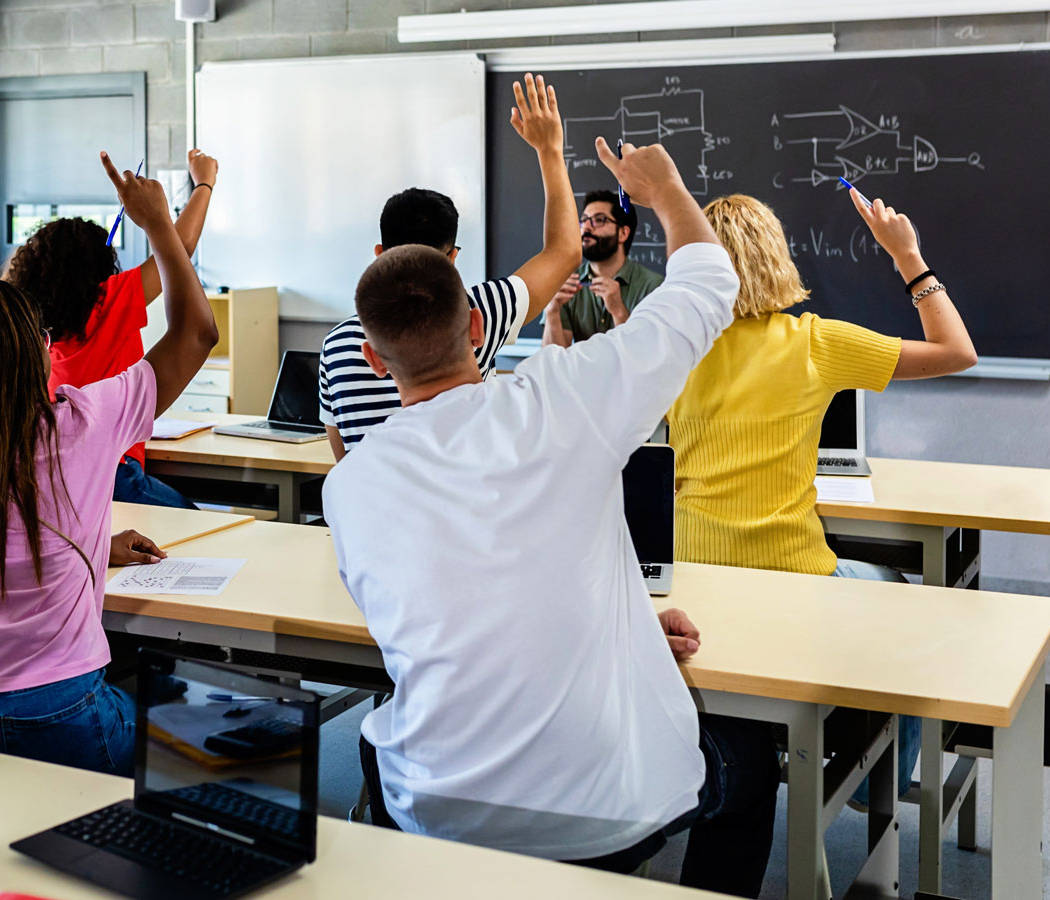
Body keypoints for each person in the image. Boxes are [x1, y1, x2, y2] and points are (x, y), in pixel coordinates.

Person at [323, 133, 777, 898]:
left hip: (438, 808)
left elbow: (452, 615)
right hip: (599, 817)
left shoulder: (351, 484)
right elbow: (708, 284)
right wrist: (663, 191)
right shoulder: (564, 396)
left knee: (378, 739)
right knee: (752, 763)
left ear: (373, 358)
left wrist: (623, 618)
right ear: (476, 328)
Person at [0, 152, 219, 775]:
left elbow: (6, 539)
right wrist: (157, 223)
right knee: (212, 734)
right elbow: (197, 333)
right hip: (53, 715)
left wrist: (93, 544)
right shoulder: (81, 422)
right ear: (35, 350)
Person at [669, 191, 978, 808]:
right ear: (776, 257)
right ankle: (879, 786)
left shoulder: (670, 343)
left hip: (689, 580)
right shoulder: (815, 343)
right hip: (789, 576)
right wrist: (907, 256)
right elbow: (957, 351)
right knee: (907, 603)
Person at [319, 75, 580, 459]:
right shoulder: (478, 313)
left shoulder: (337, 345)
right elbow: (565, 250)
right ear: (452, 259)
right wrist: (550, 151)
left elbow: (344, 459)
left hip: (378, 515)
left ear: (380, 253)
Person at [2, 149, 221, 509]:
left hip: (60, 478)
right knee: (205, 528)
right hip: (114, 473)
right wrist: (204, 183)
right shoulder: (109, 300)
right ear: (98, 272)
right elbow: (181, 247)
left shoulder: (33, 322)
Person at [541, 188, 665, 347]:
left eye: (599, 220)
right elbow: (553, 362)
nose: (587, 228)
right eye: (584, 220)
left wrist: (619, 312)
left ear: (623, 233)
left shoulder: (653, 287)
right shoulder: (565, 285)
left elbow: (648, 355)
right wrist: (552, 311)